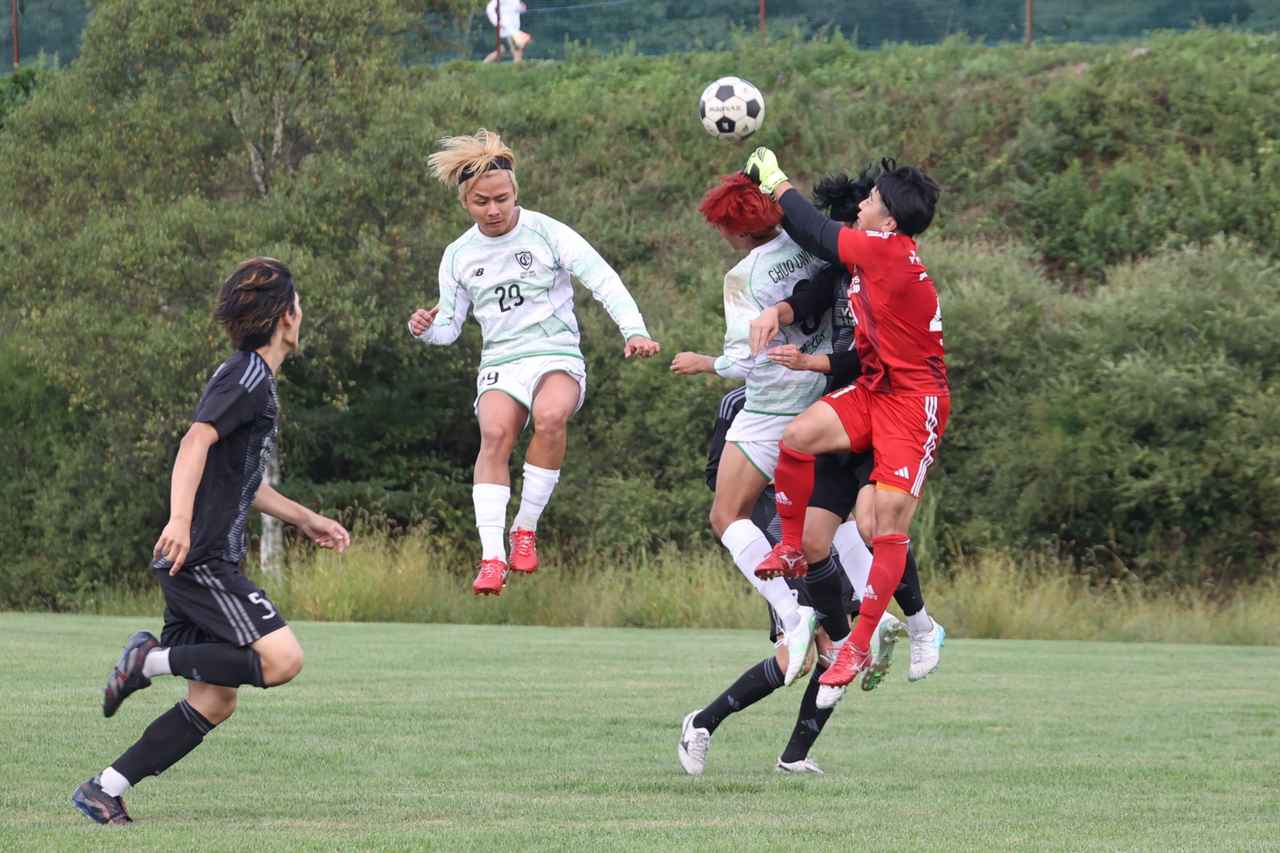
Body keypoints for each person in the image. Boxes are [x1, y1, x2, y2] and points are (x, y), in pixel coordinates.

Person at [71, 258, 352, 826]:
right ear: (286, 316)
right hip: (200, 558)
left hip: (196, 556)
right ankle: (147, 662)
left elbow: (242, 477)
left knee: (214, 701)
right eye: (300, 306)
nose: (303, 316)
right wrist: (179, 520)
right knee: (282, 660)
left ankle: (104, 788)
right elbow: (194, 441)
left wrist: (304, 518)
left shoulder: (255, 379)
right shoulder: (246, 374)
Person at [409, 129, 660, 595]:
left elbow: (601, 279)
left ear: (515, 190)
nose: (494, 209)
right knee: (496, 433)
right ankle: (491, 557)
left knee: (550, 416)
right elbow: (448, 329)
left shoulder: (547, 232)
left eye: (502, 198)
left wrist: (635, 331)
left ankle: (525, 527)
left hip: (555, 353)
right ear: (466, 201)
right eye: (482, 201)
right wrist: (423, 328)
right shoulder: (458, 255)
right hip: (502, 360)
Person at [744, 148, 949, 703]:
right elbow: (818, 267)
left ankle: (860, 643)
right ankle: (790, 546)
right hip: (877, 389)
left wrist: (777, 179)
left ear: (888, 220)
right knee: (799, 437)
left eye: (872, 200)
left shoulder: (887, 253)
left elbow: (815, 230)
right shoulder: (873, 254)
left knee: (879, 524)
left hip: (914, 403)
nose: (861, 204)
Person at [677, 386, 905, 777]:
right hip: (773, 527)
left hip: (823, 532)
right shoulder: (739, 401)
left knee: (837, 652)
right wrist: (773, 472)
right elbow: (719, 480)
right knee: (794, 661)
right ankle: (700, 724)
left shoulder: (825, 394)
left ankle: (794, 757)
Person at [669, 172, 830, 685]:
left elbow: (746, 362)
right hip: (824, 403)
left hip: (770, 411)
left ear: (735, 231)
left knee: (727, 514)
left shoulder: (744, 276)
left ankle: (792, 612)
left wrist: (704, 362)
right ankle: (867, 620)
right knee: (825, 523)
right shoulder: (814, 247)